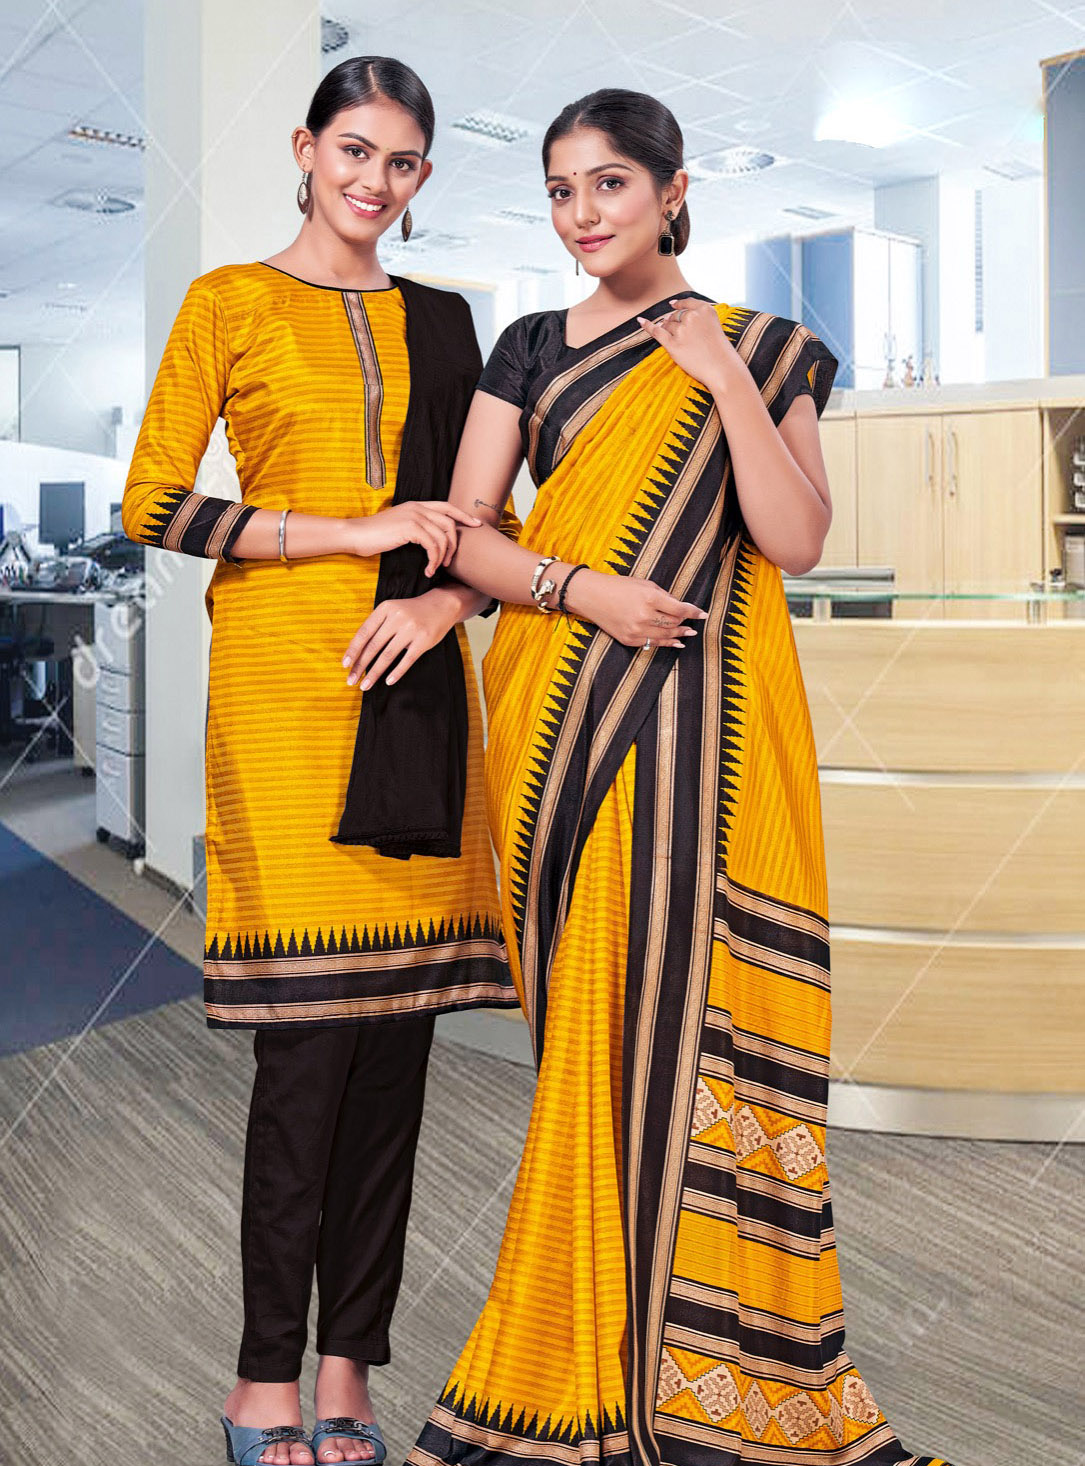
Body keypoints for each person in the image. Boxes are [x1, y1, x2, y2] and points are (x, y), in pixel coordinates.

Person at [347, 87, 956, 1466]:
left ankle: (714, 1377)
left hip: (719, 747)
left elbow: (792, 538)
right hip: (573, 727)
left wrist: (722, 377)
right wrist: (588, 592)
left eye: (609, 186)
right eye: (560, 192)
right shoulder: (525, 351)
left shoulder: (773, 345)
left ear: (674, 190)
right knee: (597, 1041)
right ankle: (582, 1357)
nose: (582, 217)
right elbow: (467, 533)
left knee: (699, 1028)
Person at [122, 56, 521, 1466]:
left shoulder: (445, 321)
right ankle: (258, 1383)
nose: (375, 181)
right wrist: (350, 534)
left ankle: (346, 1364)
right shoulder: (228, 301)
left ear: (422, 180)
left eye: (403, 162)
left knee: (396, 1060)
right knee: (304, 1064)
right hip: (283, 715)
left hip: (411, 704)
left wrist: (435, 591)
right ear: (305, 148)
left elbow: (485, 526)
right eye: (355, 150)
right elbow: (155, 502)